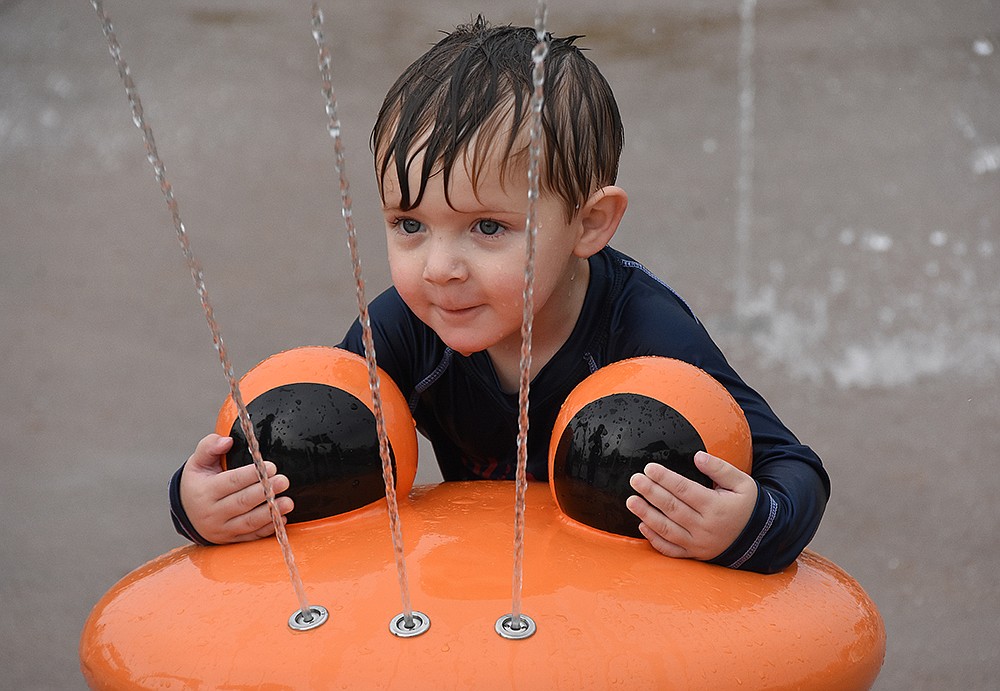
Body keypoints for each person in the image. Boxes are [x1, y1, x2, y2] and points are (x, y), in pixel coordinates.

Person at [169, 18, 829, 574]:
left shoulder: (645, 334)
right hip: (485, 582)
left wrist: (743, 526)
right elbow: (311, 446)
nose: (440, 267)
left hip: (616, 584)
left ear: (590, 223)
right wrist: (198, 503)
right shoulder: (403, 328)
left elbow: (791, 468)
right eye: (410, 225)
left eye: (488, 227)